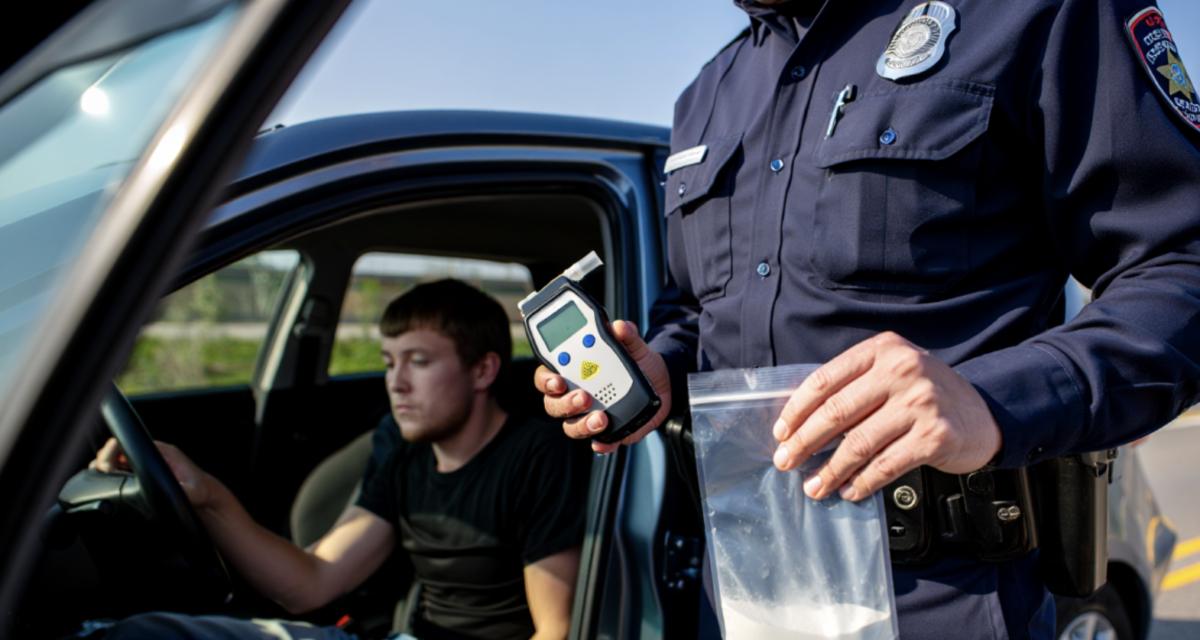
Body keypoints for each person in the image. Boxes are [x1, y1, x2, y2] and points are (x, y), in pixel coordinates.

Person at [536, 1, 1200, 638]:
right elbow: (691, 308)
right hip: (742, 587)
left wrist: (994, 400)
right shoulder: (707, 94)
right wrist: (657, 366)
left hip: (943, 596)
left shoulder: (1033, 11)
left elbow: (1182, 267)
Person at [97, 279, 590, 640]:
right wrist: (206, 495)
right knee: (139, 634)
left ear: (482, 370)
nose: (396, 384)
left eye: (419, 362)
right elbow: (313, 581)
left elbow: (556, 630)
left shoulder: (537, 455)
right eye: (389, 362)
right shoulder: (403, 450)